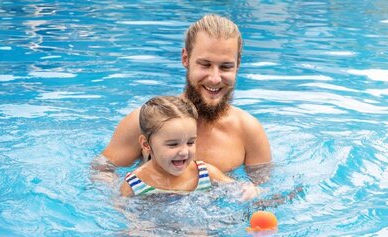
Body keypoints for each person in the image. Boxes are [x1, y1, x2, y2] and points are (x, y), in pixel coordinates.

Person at [94, 14, 271, 184]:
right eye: (205, 64)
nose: (215, 78)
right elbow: (102, 169)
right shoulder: (146, 120)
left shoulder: (249, 131)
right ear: (185, 59)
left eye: (225, 67)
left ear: (237, 65)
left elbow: (265, 192)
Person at [120, 96, 260, 201]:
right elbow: (122, 211)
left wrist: (250, 190)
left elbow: (237, 188)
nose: (184, 152)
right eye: (173, 144)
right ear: (145, 144)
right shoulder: (135, 183)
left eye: (190, 142)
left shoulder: (205, 173)